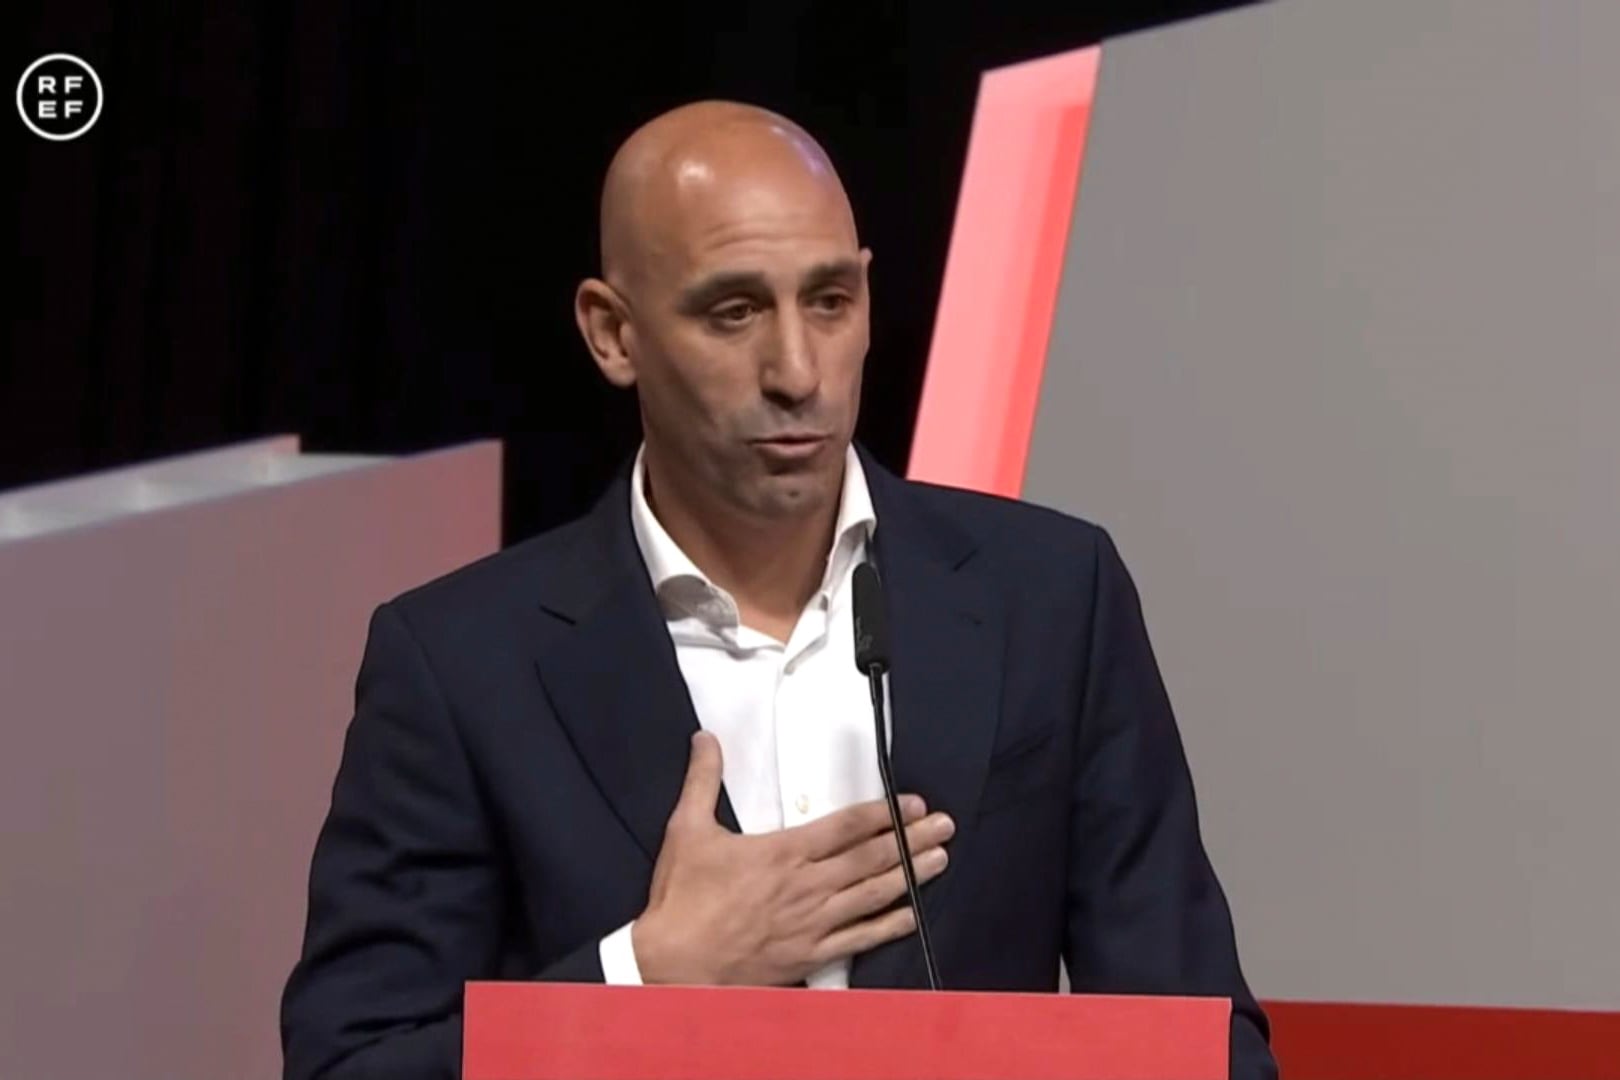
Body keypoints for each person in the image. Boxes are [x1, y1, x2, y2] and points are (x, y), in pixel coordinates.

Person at [279, 100, 1277, 1080]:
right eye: (734, 310)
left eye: (830, 302)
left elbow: (1202, 1043)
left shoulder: (1055, 596)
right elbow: (352, 1063)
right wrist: (644, 977)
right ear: (612, 334)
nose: (798, 371)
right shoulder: (460, 661)